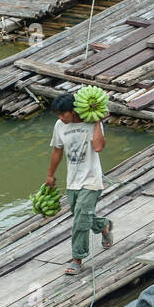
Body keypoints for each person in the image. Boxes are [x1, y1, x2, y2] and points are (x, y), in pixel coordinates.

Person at [46, 93, 113, 276]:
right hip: (72, 182)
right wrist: (50, 175)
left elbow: (98, 147)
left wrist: (99, 121)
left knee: (80, 220)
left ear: (73, 111)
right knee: (81, 215)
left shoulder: (92, 123)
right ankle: (104, 226)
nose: (60, 118)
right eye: (58, 115)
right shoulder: (60, 126)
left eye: (63, 114)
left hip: (91, 180)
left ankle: (77, 259)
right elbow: (57, 150)